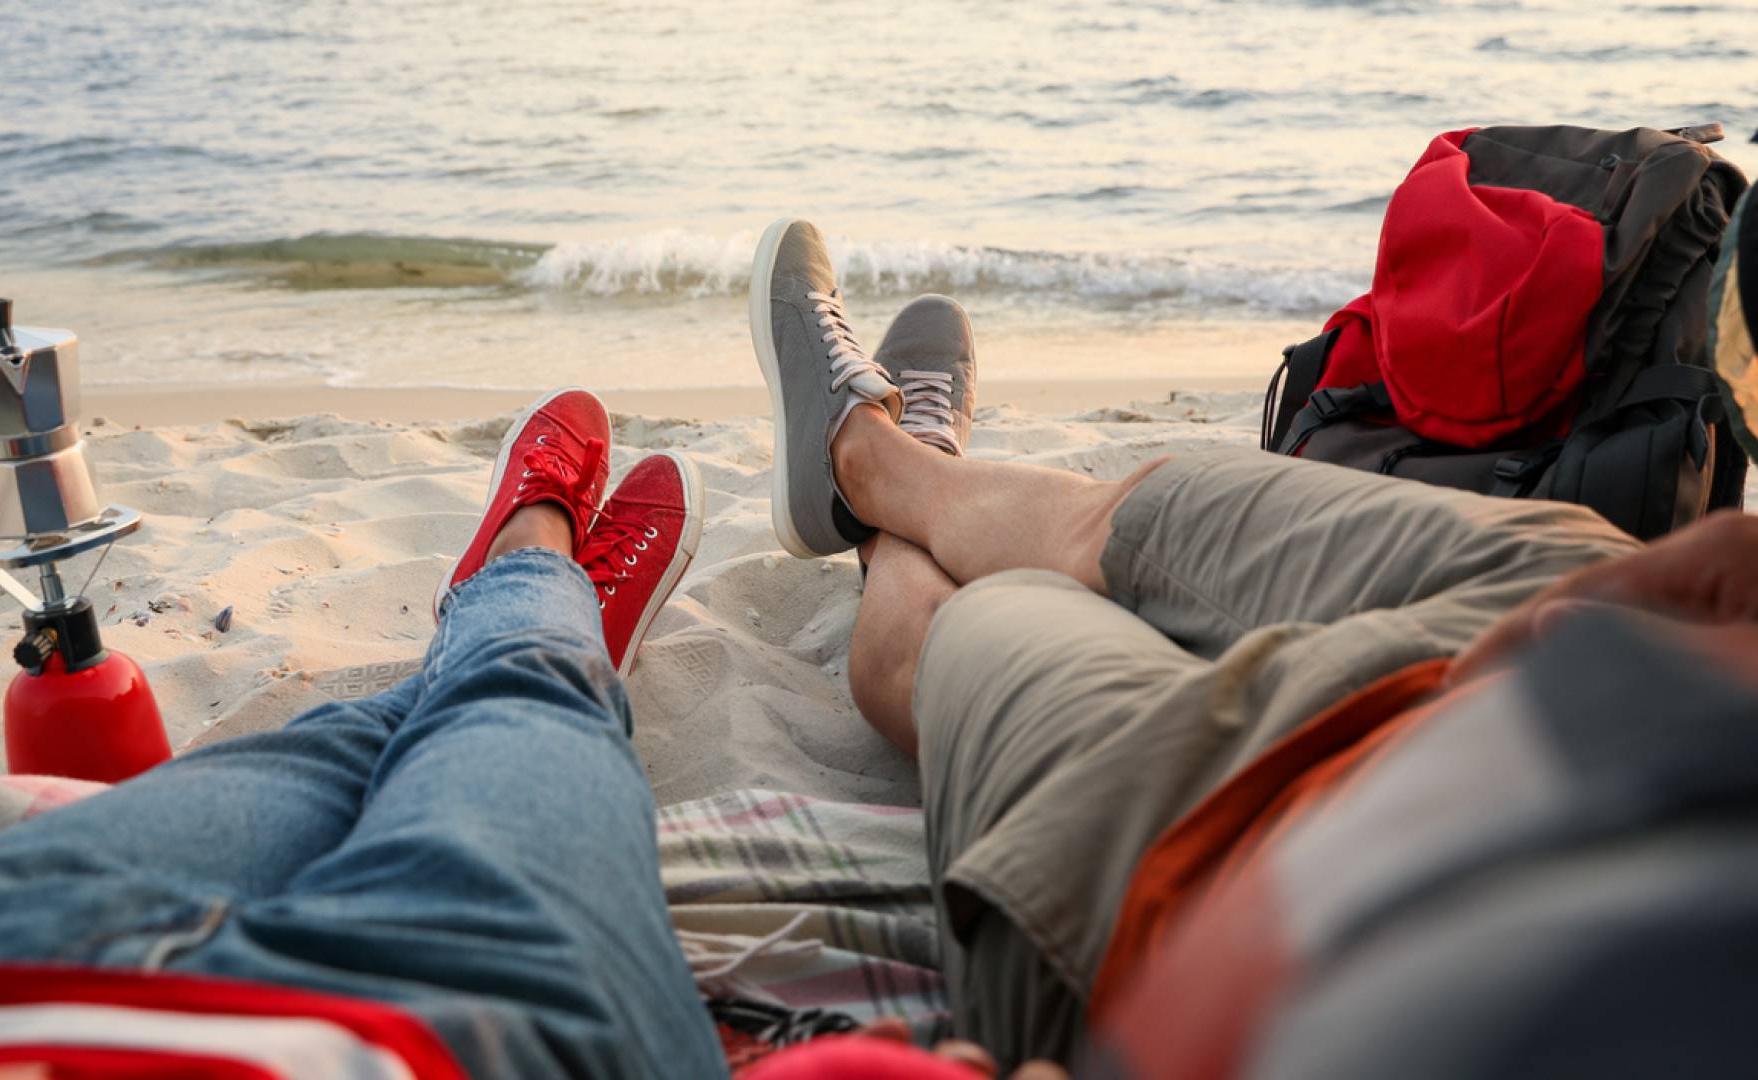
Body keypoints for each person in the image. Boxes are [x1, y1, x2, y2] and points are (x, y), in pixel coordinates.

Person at [741, 216, 1758, 1078]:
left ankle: (865, 466)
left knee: (984, 623)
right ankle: (897, 467)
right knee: (1142, 516)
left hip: (1235, 853)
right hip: (1597, 624)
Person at [0, 389, 730, 1078]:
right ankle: (536, 597)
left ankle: (530, 602)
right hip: (461, 1035)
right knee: (503, 693)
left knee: (346, 739)